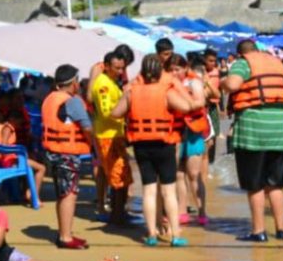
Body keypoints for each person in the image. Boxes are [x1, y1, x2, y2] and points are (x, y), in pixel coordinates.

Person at [111, 54, 197, 247]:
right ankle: (175, 235)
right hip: (164, 145)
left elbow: (115, 113)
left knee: (149, 190)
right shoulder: (166, 91)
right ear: (160, 72)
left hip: (141, 146)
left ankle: (151, 234)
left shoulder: (132, 91)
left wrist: (126, 95)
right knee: (168, 191)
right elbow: (186, 107)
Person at [222, 40, 283, 243]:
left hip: (252, 132)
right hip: (278, 132)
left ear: (241, 54)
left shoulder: (242, 64)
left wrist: (222, 83)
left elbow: (232, 85)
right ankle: (281, 230)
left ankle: (259, 231)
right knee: (275, 185)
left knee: (255, 185)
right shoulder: (277, 64)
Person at [40, 65, 92, 250]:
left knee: (61, 194)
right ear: (73, 83)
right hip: (67, 154)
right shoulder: (73, 102)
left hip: (51, 153)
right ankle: (66, 237)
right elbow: (86, 127)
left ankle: (64, 232)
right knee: (69, 193)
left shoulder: (49, 99)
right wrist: (94, 144)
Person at [89, 51, 133, 223]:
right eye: (116, 68)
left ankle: (119, 211)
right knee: (117, 176)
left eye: (122, 68)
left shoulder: (111, 81)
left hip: (114, 134)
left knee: (122, 174)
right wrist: (126, 102)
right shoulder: (103, 85)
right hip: (107, 136)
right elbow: (108, 112)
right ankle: (117, 215)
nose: (120, 72)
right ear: (106, 66)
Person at [168, 55, 210, 227]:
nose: (174, 73)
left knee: (193, 174)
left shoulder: (194, 83)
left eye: (177, 69)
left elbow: (200, 102)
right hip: (176, 131)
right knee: (178, 174)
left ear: (186, 68)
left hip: (193, 132)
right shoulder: (168, 84)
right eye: (171, 69)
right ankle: (182, 211)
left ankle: (202, 211)